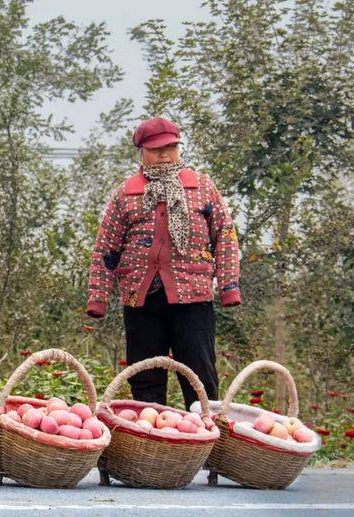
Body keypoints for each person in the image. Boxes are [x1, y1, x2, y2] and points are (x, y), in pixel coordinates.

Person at [86, 117, 241, 409]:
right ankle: (153, 446)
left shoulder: (202, 187)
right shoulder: (126, 193)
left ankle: (206, 446)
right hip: (141, 301)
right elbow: (106, 248)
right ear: (142, 151)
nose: (165, 154)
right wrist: (98, 298)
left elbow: (225, 236)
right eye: (157, 149)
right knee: (145, 379)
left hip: (193, 298)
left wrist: (229, 286)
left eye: (171, 147)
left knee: (200, 377)